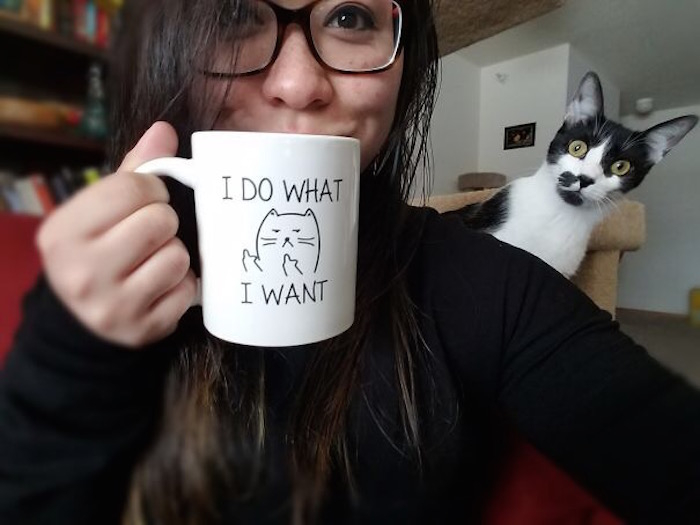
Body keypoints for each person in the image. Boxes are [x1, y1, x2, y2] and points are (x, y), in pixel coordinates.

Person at [1, 0, 699, 523]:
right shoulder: (98, 284)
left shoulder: (489, 283)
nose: (298, 83)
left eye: (350, 16)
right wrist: (76, 345)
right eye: (235, 12)